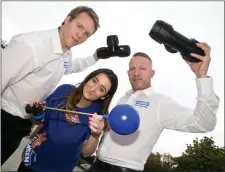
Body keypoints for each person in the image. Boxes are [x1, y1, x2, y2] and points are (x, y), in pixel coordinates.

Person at [88, 42, 220, 172]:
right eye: (132, 69)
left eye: (142, 68)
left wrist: (202, 77)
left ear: (152, 73)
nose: (136, 73)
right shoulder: (123, 99)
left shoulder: (160, 103)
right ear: (128, 73)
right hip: (96, 165)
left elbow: (204, 124)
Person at [1, 6, 104, 165]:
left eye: (86, 34)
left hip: (21, 125)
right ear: (67, 20)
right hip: (5, 118)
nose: (80, 35)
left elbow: (73, 66)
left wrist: (96, 56)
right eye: (79, 26)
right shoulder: (31, 45)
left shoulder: (66, 54)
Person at [16, 68, 118, 172]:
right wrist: (37, 114)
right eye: (94, 80)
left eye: (101, 89)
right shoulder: (64, 91)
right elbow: (37, 122)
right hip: (33, 160)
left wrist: (96, 134)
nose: (92, 89)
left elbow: (86, 153)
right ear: (88, 78)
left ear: (104, 96)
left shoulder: (97, 117)